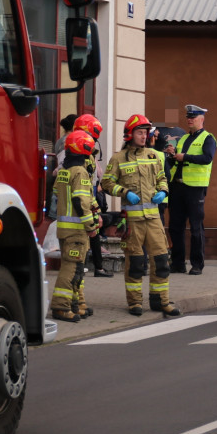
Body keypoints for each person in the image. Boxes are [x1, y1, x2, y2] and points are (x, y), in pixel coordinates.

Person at [102, 114, 180, 317]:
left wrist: (163, 190)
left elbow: (162, 178)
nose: (144, 136)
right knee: (136, 264)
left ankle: (160, 301)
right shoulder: (118, 158)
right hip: (133, 222)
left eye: (146, 132)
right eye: (140, 132)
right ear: (130, 135)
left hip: (154, 219)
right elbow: (107, 183)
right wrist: (125, 192)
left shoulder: (153, 155)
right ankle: (135, 303)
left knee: (162, 261)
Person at [50, 130, 99, 323]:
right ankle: (61, 307)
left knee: (76, 269)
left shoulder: (64, 171)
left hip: (64, 228)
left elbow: (56, 191)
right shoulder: (79, 172)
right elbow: (80, 201)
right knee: (71, 269)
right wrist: (91, 225)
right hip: (76, 230)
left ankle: (72, 305)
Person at [166, 104, 217, 275]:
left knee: (196, 227)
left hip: (195, 188)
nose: (189, 120)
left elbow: (207, 158)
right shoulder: (182, 138)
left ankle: (197, 264)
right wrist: (172, 155)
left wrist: (184, 156)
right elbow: (176, 162)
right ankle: (177, 263)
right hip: (178, 186)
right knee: (175, 226)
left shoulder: (208, 138)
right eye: (188, 117)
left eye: (193, 117)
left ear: (201, 119)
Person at [74, 114, 110, 278]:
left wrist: (95, 208)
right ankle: (94, 268)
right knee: (86, 237)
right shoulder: (75, 153)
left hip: (88, 199)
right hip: (79, 205)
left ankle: (98, 267)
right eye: (92, 138)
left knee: (93, 233)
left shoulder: (88, 155)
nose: (93, 142)